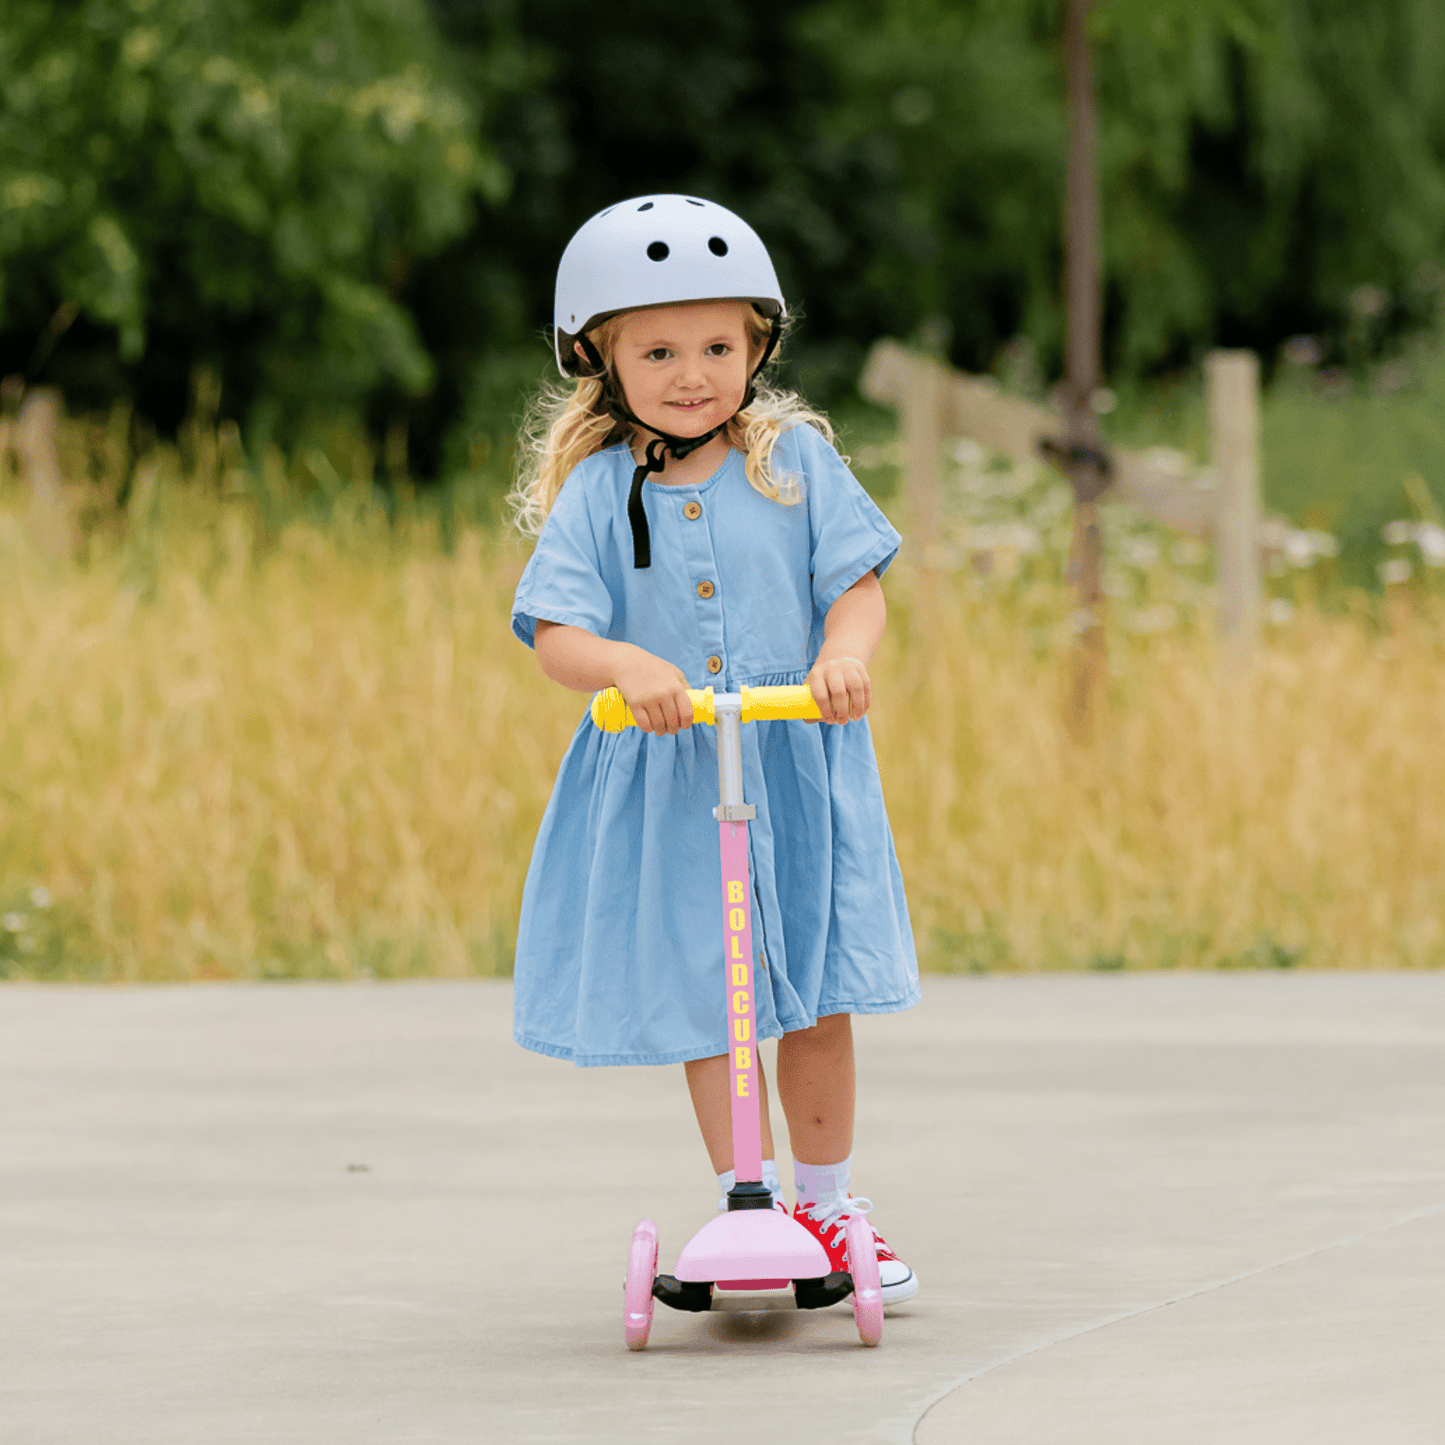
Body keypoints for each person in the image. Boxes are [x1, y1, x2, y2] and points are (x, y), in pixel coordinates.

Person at [508, 194, 920, 1304]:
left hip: (791, 760)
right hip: (676, 775)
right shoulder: (600, 492)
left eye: (716, 345)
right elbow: (555, 633)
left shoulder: (792, 463)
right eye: (657, 349)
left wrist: (841, 654)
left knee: (816, 990)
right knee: (715, 991)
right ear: (600, 357)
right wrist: (626, 666)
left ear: (756, 346)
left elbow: (857, 587)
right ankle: (752, 1194)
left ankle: (830, 1203)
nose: (691, 371)